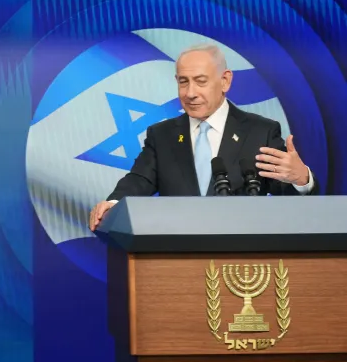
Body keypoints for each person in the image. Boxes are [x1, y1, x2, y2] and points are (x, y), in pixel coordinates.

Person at [88, 43, 317, 232]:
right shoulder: (162, 135)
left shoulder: (260, 132)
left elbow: (287, 198)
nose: (190, 93)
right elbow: (139, 180)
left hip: (241, 258)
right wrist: (113, 204)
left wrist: (301, 178)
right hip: (179, 257)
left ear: (225, 81)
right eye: (183, 82)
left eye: (200, 81)